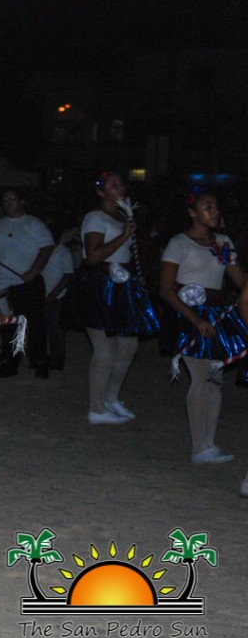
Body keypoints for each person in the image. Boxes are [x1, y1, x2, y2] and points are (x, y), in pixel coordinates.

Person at [159, 190, 245, 464]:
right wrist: (195, 319)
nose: (215, 211)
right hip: (190, 315)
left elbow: (240, 280)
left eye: (216, 206)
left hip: (217, 315)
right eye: (208, 207)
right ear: (192, 212)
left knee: (215, 379)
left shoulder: (223, 242)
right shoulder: (179, 243)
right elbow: (165, 289)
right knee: (201, 377)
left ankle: (209, 443)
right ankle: (199, 447)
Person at [66, 172, 159, 424]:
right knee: (104, 350)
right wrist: (124, 236)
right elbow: (93, 256)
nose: (120, 188)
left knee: (129, 346)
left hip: (121, 285)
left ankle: (111, 398)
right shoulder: (95, 217)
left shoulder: (123, 217)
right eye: (113, 185)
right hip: (99, 285)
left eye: (121, 184)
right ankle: (96, 409)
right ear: (101, 192)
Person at [0, 189, 54, 378]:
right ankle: (10, 362)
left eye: (13, 198)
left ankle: (39, 361)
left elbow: (47, 247)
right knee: (7, 326)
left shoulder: (33, 223)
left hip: (26, 283)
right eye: (5, 199)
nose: (8, 202)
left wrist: (34, 271)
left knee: (33, 324)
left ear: (22, 202)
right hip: (0, 284)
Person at [42, 227, 75, 371]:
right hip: (41, 295)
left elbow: (68, 275)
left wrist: (54, 293)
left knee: (56, 329)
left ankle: (57, 360)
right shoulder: (41, 250)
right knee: (42, 328)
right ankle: (42, 357)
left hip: (57, 297)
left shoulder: (62, 252)